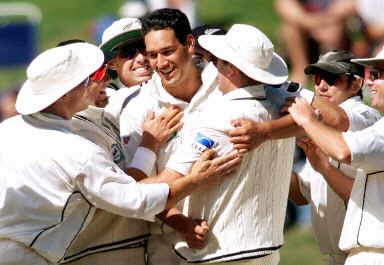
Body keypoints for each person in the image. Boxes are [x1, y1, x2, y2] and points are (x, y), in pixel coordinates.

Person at [0, 43, 241, 264]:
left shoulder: (7, 129)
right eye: (94, 76)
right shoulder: (77, 151)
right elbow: (134, 200)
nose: (104, 79)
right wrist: (195, 180)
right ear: (64, 94)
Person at [158, 23, 295, 265]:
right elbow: (319, 114)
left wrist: (127, 177)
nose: (212, 66)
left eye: (217, 61)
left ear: (231, 68)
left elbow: (163, 187)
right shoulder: (286, 111)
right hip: (268, 251)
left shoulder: (219, 116)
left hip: (219, 253)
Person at [120, 9, 224, 265]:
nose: (161, 64)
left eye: (168, 52)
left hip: (227, 235)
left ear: (189, 44)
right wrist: (183, 224)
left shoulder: (223, 86)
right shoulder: (139, 107)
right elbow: (133, 188)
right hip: (168, 245)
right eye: (153, 55)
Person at [287, 47, 384, 265]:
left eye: (331, 78)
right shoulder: (320, 132)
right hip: (342, 256)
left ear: (356, 84)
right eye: (318, 77)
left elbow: (339, 122)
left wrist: (288, 91)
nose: (321, 86)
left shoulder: (366, 116)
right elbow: (301, 194)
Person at [274, 0, 356, 85]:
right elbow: (284, 5)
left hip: (331, 26)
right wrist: (311, 24)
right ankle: (300, 71)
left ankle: (332, 71)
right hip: (304, 27)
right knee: (290, 29)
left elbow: (350, 6)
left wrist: (324, 22)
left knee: (336, 30)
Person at [99, 17, 153, 122]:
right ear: (111, 64)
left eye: (144, 47)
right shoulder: (109, 106)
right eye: (128, 51)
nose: (141, 58)